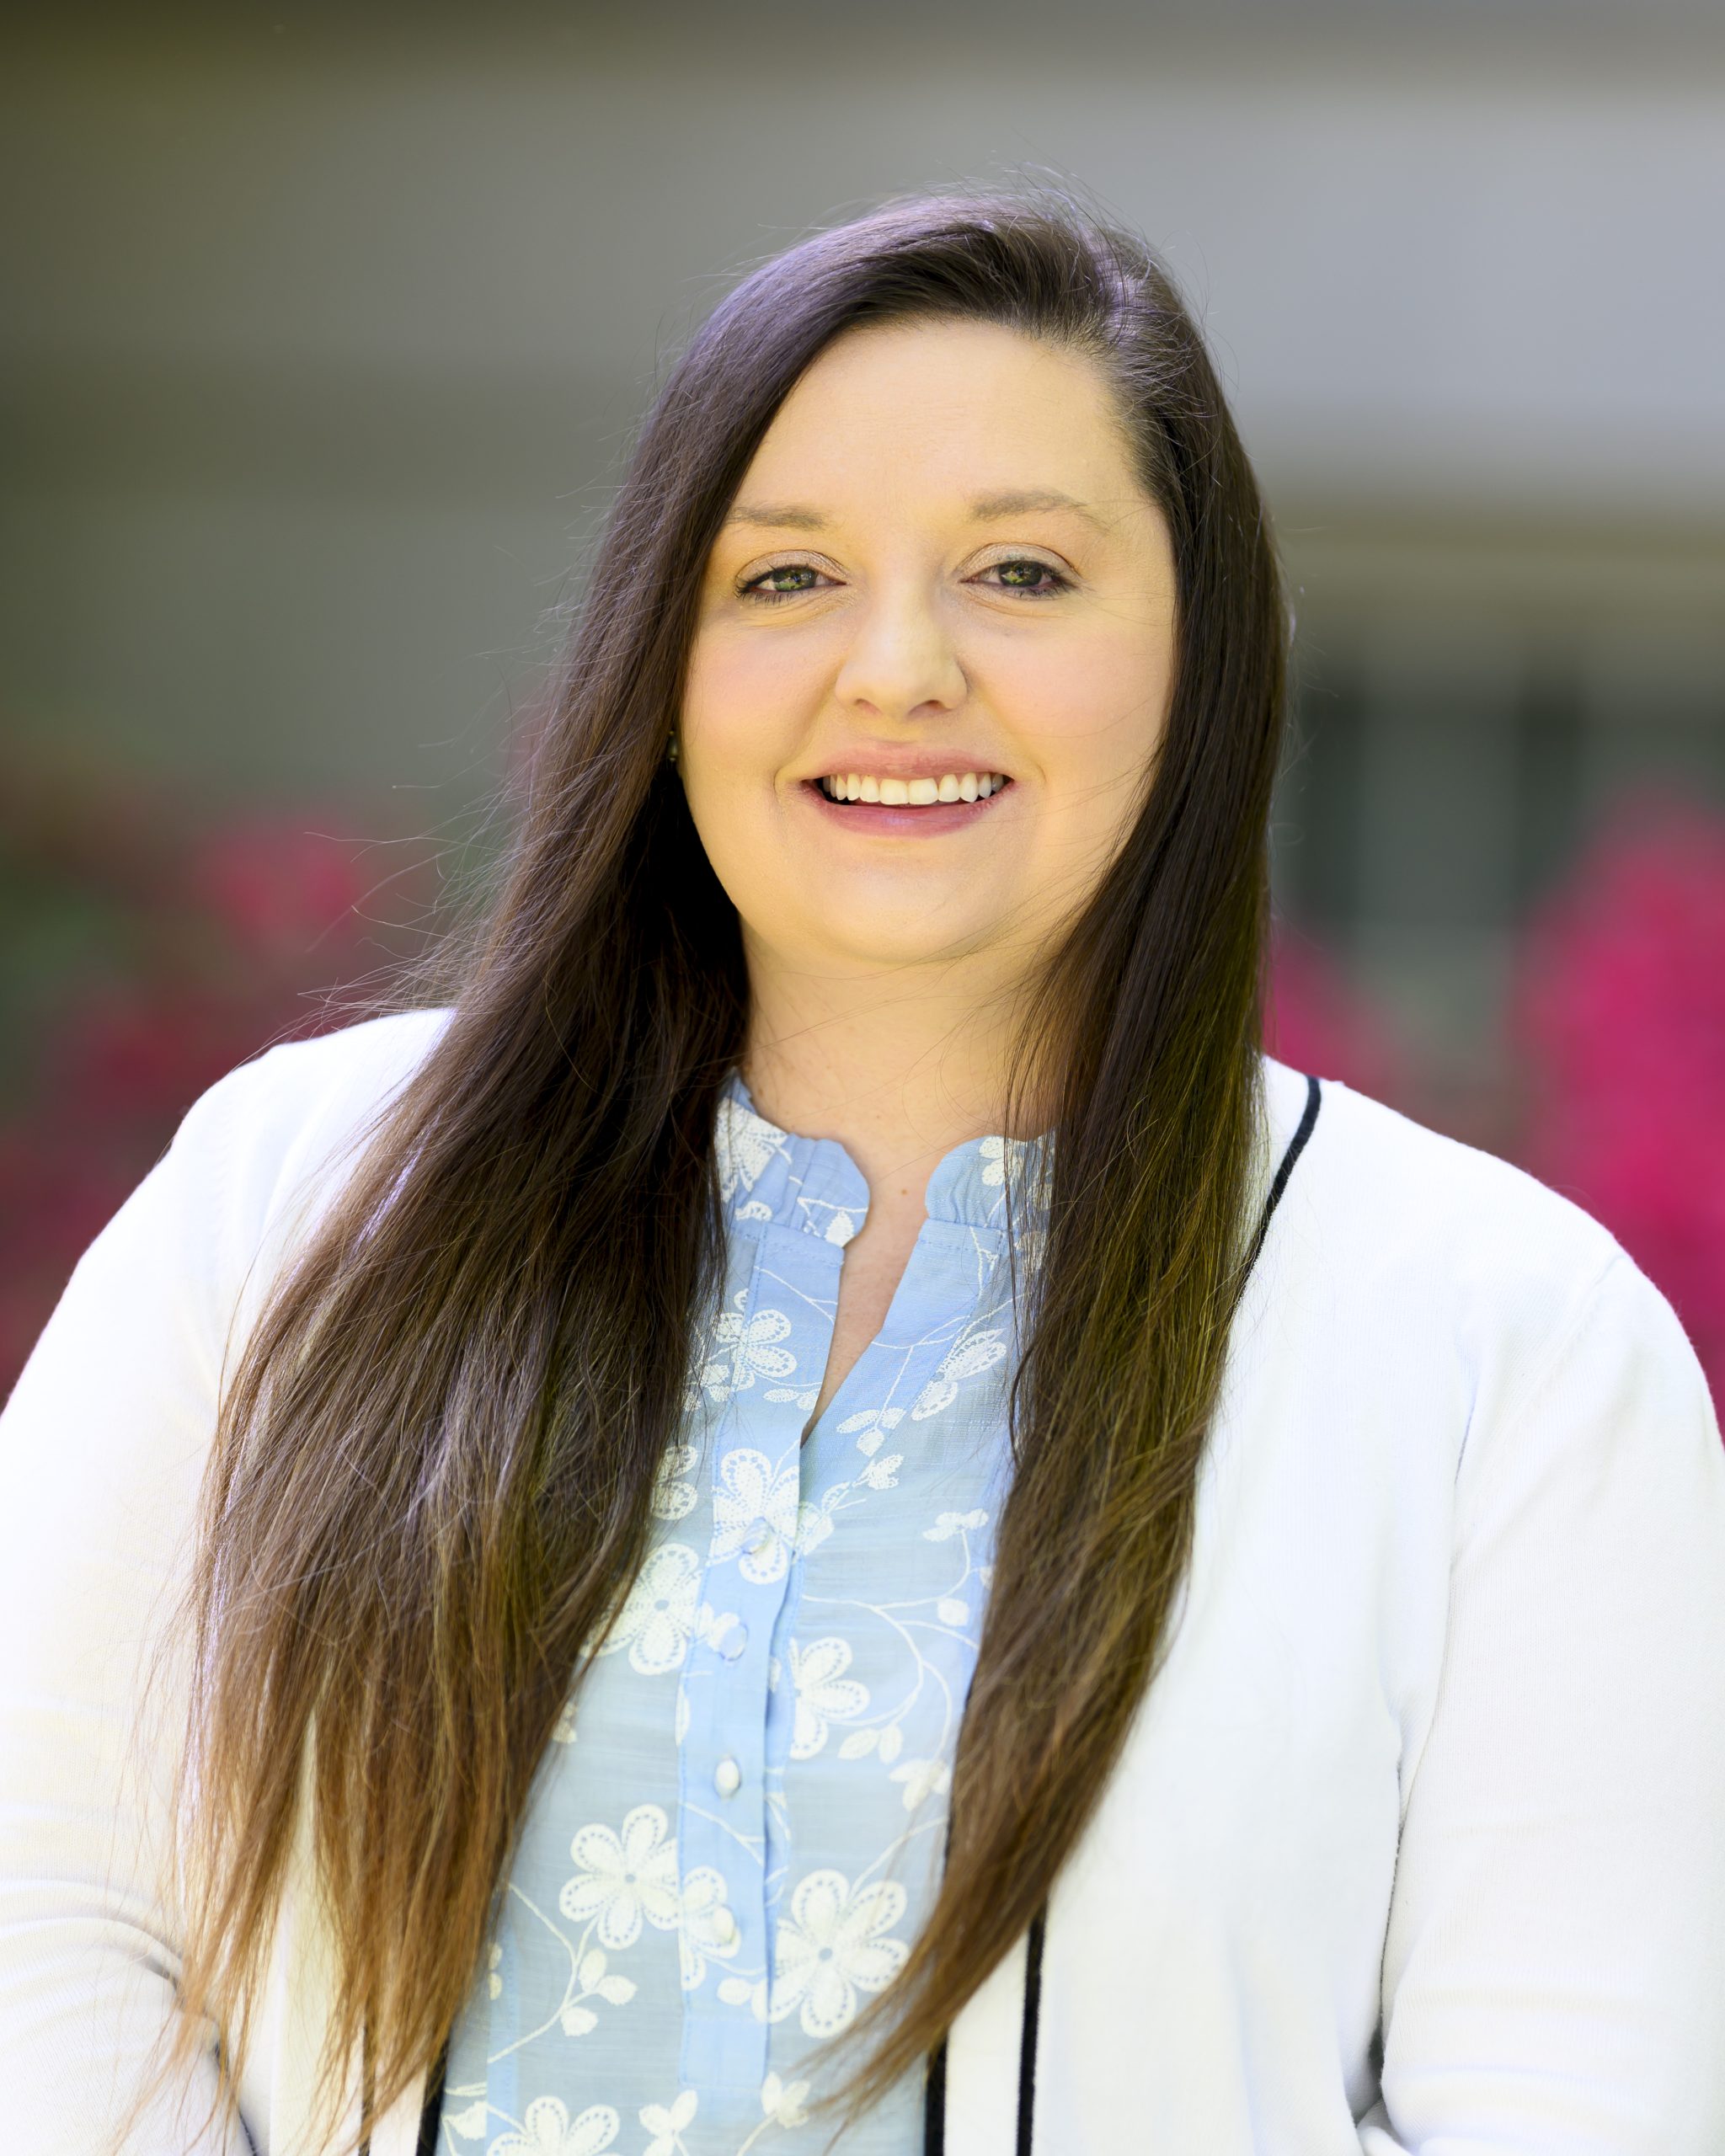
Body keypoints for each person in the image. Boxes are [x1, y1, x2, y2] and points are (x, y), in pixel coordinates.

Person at [3, 189, 1724, 2156]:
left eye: (1019, 571)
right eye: (787, 575)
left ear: (1199, 660)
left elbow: (1572, 2107)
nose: (896, 666)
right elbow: (40, 1896)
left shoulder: (1505, 1343)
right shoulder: (289, 1200)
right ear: (665, 661)